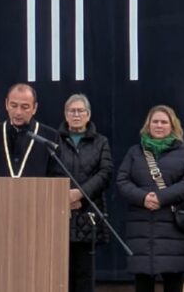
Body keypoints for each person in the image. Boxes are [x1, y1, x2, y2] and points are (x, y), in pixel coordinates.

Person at [116, 105, 184, 292]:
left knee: (173, 281)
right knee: (143, 282)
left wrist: (161, 198)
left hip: (172, 229)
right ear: (148, 125)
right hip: (141, 227)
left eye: (164, 122)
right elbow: (122, 180)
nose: (159, 125)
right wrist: (143, 197)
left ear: (172, 126)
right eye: (155, 121)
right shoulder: (134, 152)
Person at [57, 94, 114, 292]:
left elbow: (105, 173)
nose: (76, 115)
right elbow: (48, 171)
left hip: (88, 214)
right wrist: (63, 196)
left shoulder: (101, 142)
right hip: (59, 214)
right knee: (60, 274)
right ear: (65, 114)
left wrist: (79, 194)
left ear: (88, 115)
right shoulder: (54, 140)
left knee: (84, 274)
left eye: (80, 111)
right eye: (72, 111)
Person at [0, 83, 59, 177]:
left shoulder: (50, 137)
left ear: (34, 108)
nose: (18, 112)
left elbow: (58, 176)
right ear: (6, 104)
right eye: (13, 106)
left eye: (24, 107)